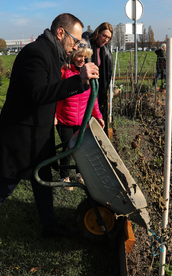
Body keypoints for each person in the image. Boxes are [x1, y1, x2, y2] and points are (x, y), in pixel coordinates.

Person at [0, 13, 99, 253]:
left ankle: (50, 227)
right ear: (60, 33)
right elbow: (39, 94)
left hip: (38, 133)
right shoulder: (36, 53)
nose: (76, 45)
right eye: (74, 40)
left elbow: (55, 83)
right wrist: (78, 81)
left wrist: (77, 68)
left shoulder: (54, 54)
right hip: (19, 134)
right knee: (5, 184)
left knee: (42, 182)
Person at [55, 39, 105, 190]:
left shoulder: (88, 73)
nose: (82, 59)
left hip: (82, 120)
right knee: (67, 149)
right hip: (65, 119)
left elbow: (93, 98)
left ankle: (79, 173)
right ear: (73, 55)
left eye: (84, 57)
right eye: (79, 56)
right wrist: (55, 116)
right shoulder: (65, 72)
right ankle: (64, 177)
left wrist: (98, 116)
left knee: (81, 147)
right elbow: (57, 96)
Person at [83, 22, 113, 136]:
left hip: (99, 88)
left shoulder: (105, 50)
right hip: (87, 86)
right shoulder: (88, 45)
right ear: (98, 32)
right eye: (104, 36)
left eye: (109, 38)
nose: (106, 39)